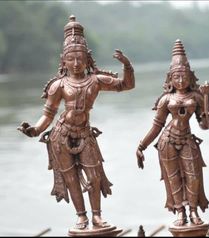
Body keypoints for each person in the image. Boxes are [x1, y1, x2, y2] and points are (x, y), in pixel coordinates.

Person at [18, 15, 135, 230]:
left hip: (84, 132)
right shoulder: (58, 85)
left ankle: (97, 216)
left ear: (88, 59)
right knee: (70, 177)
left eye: (80, 58)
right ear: (63, 60)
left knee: (94, 174)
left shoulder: (96, 80)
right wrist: (35, 130)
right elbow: (48, 114)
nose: (76, 63)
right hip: (61, 134)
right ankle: (81, 216)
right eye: (71, 58)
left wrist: (127, 65)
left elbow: (126, 85)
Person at [136, 39, 209, 227]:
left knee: (193, 176)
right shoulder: (166, 99)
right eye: (176, 77)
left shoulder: (196, 96)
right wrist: (141, 146)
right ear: (170, 79)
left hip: (187, 139)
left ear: (190, 76)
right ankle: (180, 212)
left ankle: (194, 211)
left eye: (184, 76)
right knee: (173, 177)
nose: (180, 81)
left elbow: (205, 126)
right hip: (167, 141)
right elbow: (157, 126)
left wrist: (206, 100)